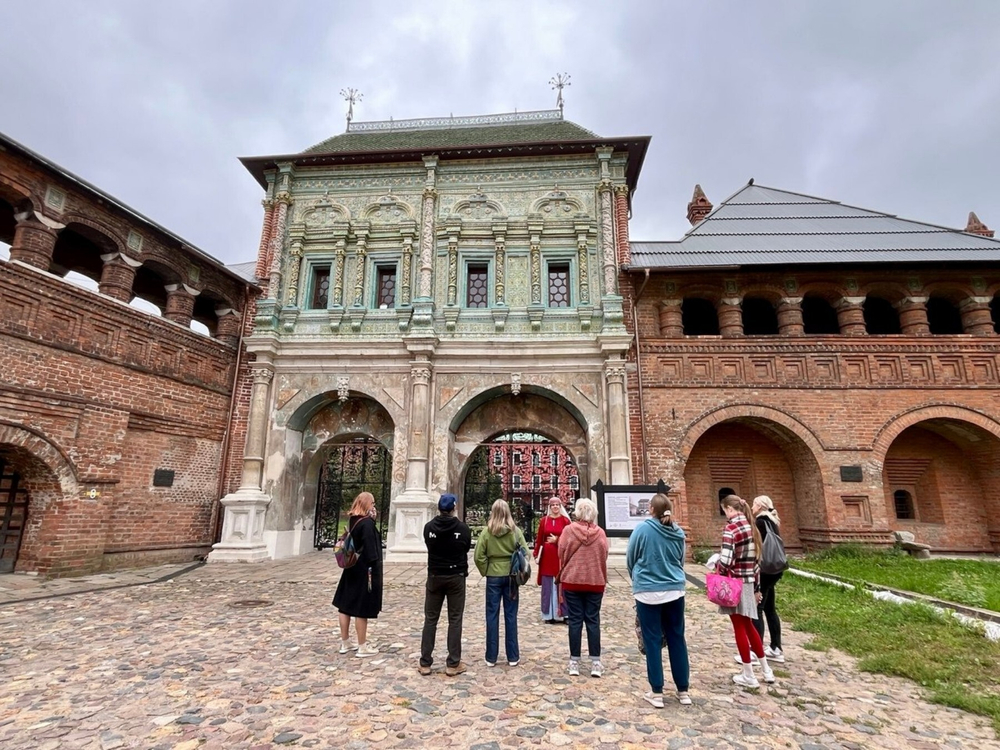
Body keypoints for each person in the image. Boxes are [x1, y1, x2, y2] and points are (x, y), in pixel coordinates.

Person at [626, 493, 692, 708]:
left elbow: (631, 558)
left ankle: (657, 692)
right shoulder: (678, 531)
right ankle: (683, 690)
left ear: (651, 509)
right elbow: (680, 561)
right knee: (677, 638)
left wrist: (637, 579)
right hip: (674, 591)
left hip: (648, 592)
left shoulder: (642, 529)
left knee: (652, 640)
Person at [717, 494, 775, 688]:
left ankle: (748, 674)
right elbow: (757, 563)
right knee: (749, 625)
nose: (725, 514)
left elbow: (726, 561)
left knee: (739, 627)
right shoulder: (752, 528)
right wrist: (757, 588)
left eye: (725, 510)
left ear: (730, 509)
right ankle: (766, 670)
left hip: (735, 583)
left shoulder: (732, 528)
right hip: (750, 583)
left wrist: (716, 564)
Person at [418, 493, 472, 676]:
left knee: (430, 619)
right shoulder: (463, 529)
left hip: (435, 575)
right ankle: (453, 663)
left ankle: (425, 662)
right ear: (454, 507)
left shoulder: (428, 527)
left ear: (439, 508)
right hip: (455, 576)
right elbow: (465, 547)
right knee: (455, 619)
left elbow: (429, 545)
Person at [557, 497, 609, 678]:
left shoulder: (568, 531)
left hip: (572, 580)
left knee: (575, 620)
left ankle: (574, 662)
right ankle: (595, 662)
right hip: (595, 581)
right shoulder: (600, 533)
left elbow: (561, 552)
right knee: (593, 621)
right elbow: (605, 554)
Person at [474, 498, 528, 667]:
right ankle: (512, 656)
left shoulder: (487, 532)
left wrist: (486, 570)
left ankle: (491, 657)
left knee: (492, 615)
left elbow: (478, 556)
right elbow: (526, 553)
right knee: (511, 615)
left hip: (494, 576)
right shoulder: (515, 531)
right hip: (511, 576)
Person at [331, 491, 383, 657]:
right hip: (364, 569)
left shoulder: (354, 519)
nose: (374, 507)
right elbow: (370, 550)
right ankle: (362, 646)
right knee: (361, 607)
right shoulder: (367, 523)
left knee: (345, 605)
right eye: (373, 503)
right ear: (368, 504)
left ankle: (345, 642)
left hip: (351, 567)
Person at [752, 495, 785, 663]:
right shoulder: (772, 521)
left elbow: (756, 546)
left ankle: (756, 651)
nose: (752, 507)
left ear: (759, 506)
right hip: (776, 568)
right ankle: (776, 648)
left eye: (754, 504)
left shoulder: (760, 522)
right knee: (770, 608)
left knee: (756, 607)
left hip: (764, 569)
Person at [533, 496, 571, 623]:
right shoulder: (544, 521)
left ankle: (563, 613)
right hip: (547, 558)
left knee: (561, 585)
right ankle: (548, 614)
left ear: (560, 506)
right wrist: (536, 552)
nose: (555, 507)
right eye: (553, 505)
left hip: (560, 557)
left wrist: (557, 540)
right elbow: (539, 538)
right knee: (547, 585)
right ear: (549, 507)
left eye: (557, 505)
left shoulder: (566, 521)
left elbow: (570, 540)